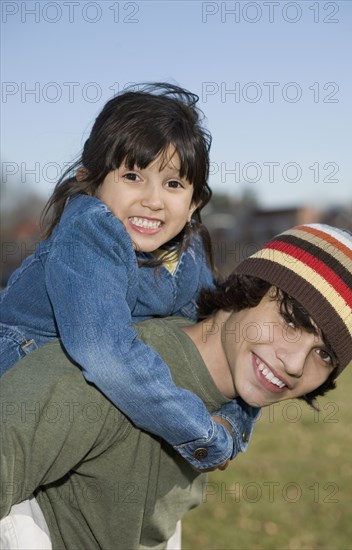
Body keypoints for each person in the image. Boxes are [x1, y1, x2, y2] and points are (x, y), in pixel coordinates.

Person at [1, 223, 352, 549]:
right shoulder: (109, 375)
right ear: (250, 288)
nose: (296, 364)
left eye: (324, 355)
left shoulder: (219, 404)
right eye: (290, 321)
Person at [0, 82, 249, 471]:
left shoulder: (188, 251)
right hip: (15, 388)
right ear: (92, 180)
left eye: (173, 184)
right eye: (133, 176)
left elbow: (224, 341)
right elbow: (105, 351)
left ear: (194, 202)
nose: (152, 199)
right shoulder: (90, 231)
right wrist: (202, 435)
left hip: (79, 415)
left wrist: (231, 427)